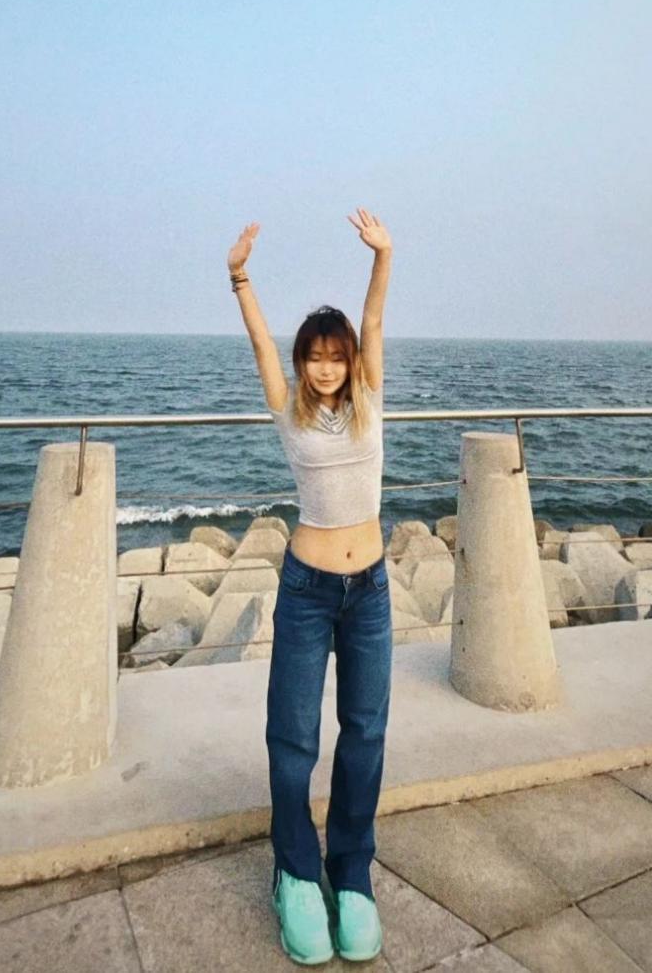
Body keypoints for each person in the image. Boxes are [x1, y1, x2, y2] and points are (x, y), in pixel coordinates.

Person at [227, 209, 393, 966]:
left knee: (364, 735)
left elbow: (374, 318)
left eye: (335, 357)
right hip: (305, 590)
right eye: (314, 358)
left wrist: (382, 257)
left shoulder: (369, 400)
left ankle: (350, 873)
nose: (325, 368)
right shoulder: (288, 411)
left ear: (350, 361)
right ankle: (295, 873)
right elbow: (261, 344)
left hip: (371, 591)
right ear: (302, 363)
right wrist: (239, 277)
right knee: (293, 740)